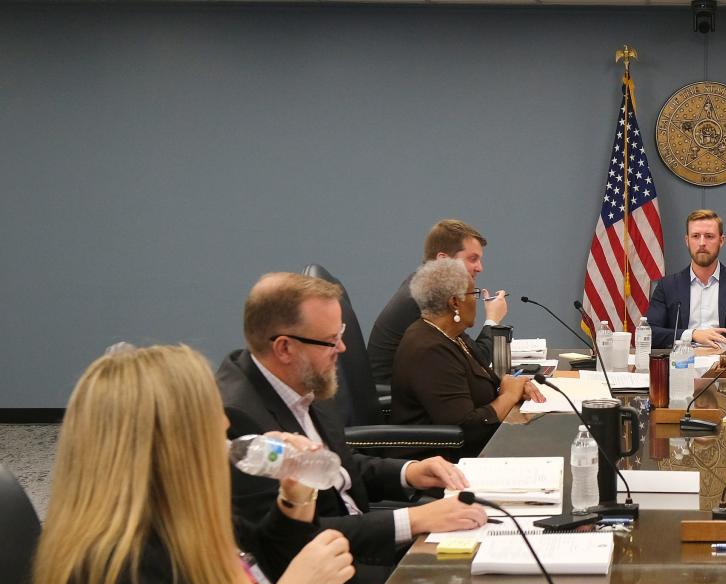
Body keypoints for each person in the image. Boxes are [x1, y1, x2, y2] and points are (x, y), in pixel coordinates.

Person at [25, 345, 355, 584]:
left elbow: (259, 570)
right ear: (174, 448)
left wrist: (295, 499)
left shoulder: (179, 520)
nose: (226, 431)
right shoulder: (118, 565)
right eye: (213, 425)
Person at [217, 272, 488, 561]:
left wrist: (409, 472)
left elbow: (339, 468)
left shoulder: (301, 378)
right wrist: (414, 520)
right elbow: (288, 539)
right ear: (285, 347)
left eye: (341, 334)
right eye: (331, 340)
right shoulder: (239, 420)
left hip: (361, 541)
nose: (342, 349)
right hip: (331, 575)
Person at [390, 258, 544, 455]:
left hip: (474, 449)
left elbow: (482, 379)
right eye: (475, 294)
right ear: (455, 301)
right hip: (441, 464)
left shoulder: (452, 334)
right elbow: (466, 428)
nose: (476, 301)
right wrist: (509, 395)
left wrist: (509, 383)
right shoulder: (429, 350)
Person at [368, 219, 508, 385]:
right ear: (443, 260)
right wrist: (493, 320)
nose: (479, 267)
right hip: (395, 401)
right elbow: (477, 360)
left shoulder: (419, 283)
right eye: (472, 259)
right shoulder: (428, 298)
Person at [645, 209, 726, 349]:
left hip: (724, 363)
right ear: (687, 241)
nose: (702, 243)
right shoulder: (668, 286)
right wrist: (692, 334)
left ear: (721, 241)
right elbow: (649, 332)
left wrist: (723, 344)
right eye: (695, 236)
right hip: (681, 364)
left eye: (709, 236)